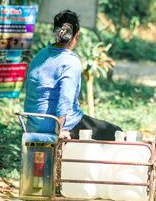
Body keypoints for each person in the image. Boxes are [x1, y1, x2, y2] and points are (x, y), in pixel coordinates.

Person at [24, 10, 122, 140]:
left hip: (33, 125)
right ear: (77, 35)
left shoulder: (40, 56)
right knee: (116, 132)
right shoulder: (71, 61)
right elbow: (65, 99)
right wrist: (59, 131)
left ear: (55, 33)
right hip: (62, 125)